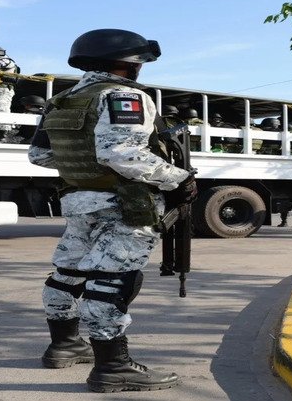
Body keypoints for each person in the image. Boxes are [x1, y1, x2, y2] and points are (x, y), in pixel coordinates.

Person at [28, 28, 191, 393]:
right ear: (126, 62)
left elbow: (39, 155)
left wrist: (85, 171)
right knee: (113, 284)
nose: (139, 69)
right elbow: (120, 153)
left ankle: (64, 345)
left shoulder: (61, 101)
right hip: (124, 204)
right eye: (138, 62)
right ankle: (113, 367)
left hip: (79, 202)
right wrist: (178, 178)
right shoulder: (123, 96)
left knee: (66, 274)